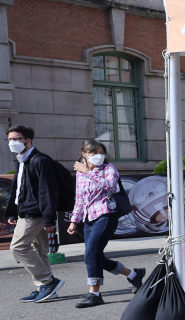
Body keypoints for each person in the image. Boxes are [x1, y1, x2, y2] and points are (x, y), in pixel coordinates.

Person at [65, 140, 145, 307]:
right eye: (94, 154)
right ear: (84, 155)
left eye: (102, 153)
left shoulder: (109, 169)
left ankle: (95, 293)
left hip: (106, 215)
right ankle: (133, 275)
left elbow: (109, 186)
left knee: (91, 254)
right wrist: (74, 221)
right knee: (95, 256)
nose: (99, 157)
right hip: (89, 219)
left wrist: (88, 172)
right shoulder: (80, 173)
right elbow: (79, 199)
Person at [5, 125, 65, 303]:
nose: (12, 143)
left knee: (18, 247)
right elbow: (18, 190)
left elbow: (48, 191)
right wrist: (13, 212)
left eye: (16, 139)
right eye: (9, 140)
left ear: (28, 140)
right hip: (26, 210)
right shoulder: (22, 160)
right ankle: (43, 287)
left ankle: (48, 281)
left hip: (35, 213)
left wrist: (49, 217)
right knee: (39, 250)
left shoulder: (40, 161)